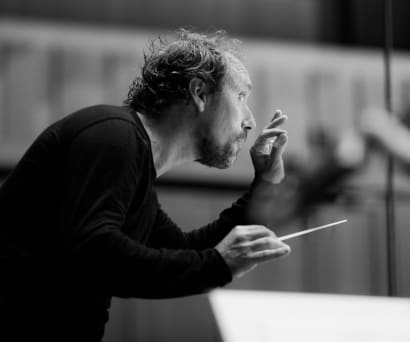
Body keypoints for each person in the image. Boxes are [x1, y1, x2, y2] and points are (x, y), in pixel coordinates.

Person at [0, 29, 291, 342]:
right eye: (241, 96)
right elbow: (96, 253)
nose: (249, 121)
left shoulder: (133, 162)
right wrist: (217, 265)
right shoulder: (112, 136)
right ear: (199, 93)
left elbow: (186, 253)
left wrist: (266, 184)